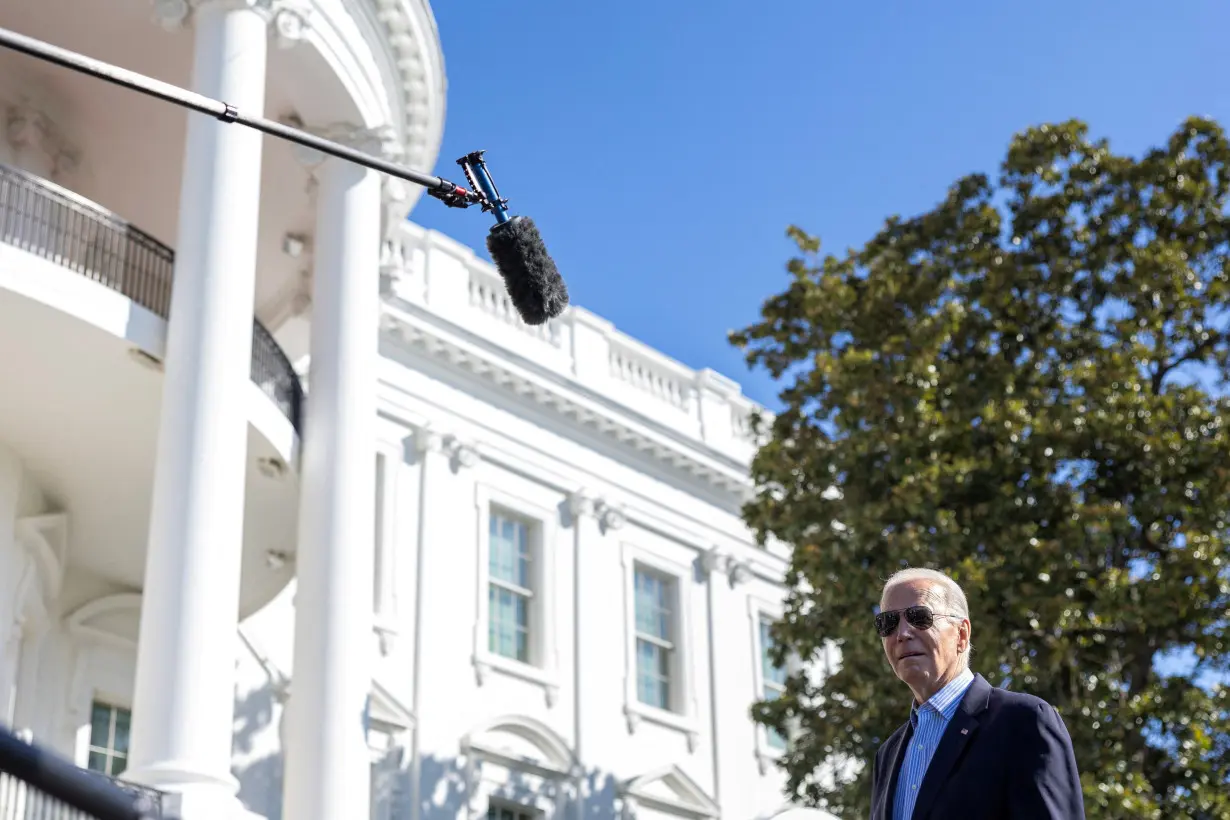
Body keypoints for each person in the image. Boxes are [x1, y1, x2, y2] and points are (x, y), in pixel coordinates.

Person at [869, 567, 1085, 820]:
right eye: (888, 623)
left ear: (961, 634)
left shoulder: (1022, 721)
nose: (903, 634)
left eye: (919, 617)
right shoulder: (888, 754)